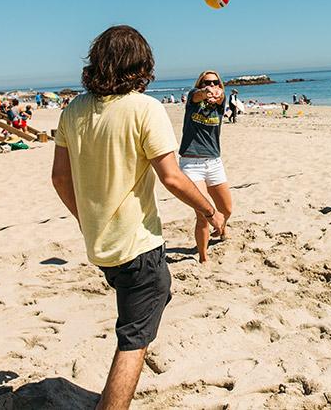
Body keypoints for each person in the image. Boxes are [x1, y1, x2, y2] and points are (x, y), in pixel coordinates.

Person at [51, 26, 223, 408]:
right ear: (142, 65)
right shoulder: (145, 108)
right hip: (137, 244)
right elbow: (172, 177)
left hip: (101, 245)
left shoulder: (74, 108)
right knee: (133, 340)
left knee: (145, 306)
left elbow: (60, 178)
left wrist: (85, 219)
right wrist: (209, 211)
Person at [179, 71, 234, 263]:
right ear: (200, 83)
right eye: (206, 82)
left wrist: (218, 94)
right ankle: (203, 258)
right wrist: (205, 92)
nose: (211, 85)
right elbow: (198, 95)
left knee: (226, 210)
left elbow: (220, 99)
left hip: (214, 162)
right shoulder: (193, 99)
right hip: (191, 163)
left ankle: (222, 227)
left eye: (215, 82)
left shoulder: (220, 103)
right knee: (203, 214)